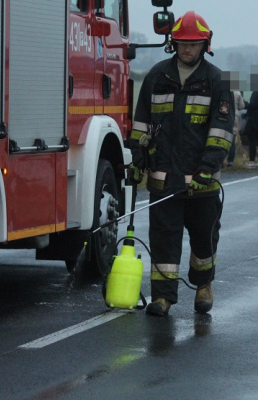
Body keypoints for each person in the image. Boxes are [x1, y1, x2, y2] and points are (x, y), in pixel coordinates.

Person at [128, 10, 233, 316]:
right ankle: (163, 297)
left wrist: (207, 168)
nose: (188, 48)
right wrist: (137, 159)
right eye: (183, 43)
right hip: (163, 180)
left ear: (204, 45)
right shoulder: (156, 77)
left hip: (202, 183)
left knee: (204, 239)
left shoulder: (216, 80)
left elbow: (221, 131)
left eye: (193, 43)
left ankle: (203, 286)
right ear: (173, 43)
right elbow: (141, 123)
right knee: (164, 240)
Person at [225, 90, 245, 167]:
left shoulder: (221, 90)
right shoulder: (237, 92)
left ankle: (220, 160)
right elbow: (242, 106)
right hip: (234, 116)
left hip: (222, 114)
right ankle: (230, 161)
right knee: (232, 139)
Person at [243, 91, 258, 169]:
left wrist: (246, 105)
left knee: (252, 141)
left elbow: (252, 105)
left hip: (254, 120)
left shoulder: (256, 92)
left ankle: (252, 161)